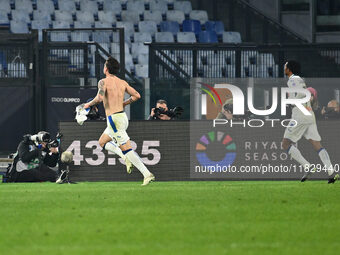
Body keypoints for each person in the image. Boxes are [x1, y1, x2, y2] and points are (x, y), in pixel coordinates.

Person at [84, 56, 155, 186]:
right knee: (102, 142)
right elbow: (137, 95)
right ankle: (125, 158)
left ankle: (146, 174)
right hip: (122, 117)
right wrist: (124, 103)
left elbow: (99, 98)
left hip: (113, 119)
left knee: (127, 149)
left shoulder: (103, 82)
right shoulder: (122, 82)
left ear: (106, 69)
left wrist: (88, 105)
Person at [281, 60, 338, 183]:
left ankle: (308, 166)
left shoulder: (292, 79)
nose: (283, 67)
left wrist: (291, 101)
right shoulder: (300, 79)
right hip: (309, 113)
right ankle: (331, 172)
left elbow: (299, 95)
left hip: (300, 114)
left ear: (289, 69)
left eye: (285, 66)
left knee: (285, 144)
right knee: (316, 144)